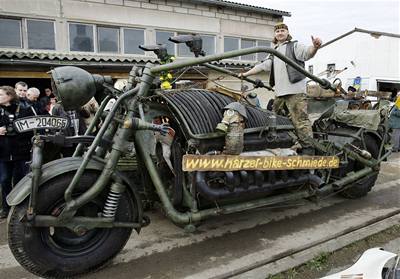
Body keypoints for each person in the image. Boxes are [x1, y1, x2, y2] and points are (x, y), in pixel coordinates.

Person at [238, 22, 322, 155]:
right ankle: (279, 143)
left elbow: (307, 53)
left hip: (295, 92)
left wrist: (315, 47)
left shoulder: (294, 46)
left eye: (283, 30)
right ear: (275, 35)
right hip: (280, 93)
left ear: (287, 33)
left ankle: (308, 149)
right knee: (271, 118)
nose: (280, 33)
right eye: (278, 31)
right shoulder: (273, 52)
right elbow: (263, 66)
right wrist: (245, 74)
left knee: (300, 120)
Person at [0, 86, 35, 218]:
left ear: (9, 96)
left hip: (21, 152)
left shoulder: (24, 110)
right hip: (3, 153)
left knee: (21, 182)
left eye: (1, 94)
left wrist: (13, 131)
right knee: (4, 180)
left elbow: (32, 129)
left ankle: (20, 208)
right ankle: (5, 207)